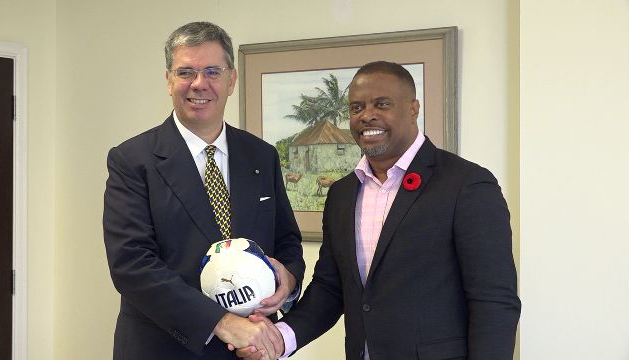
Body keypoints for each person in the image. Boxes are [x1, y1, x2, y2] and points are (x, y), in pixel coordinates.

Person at [238, 61, 521, 359]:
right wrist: (280, 338)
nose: (366, 116)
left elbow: (494, 301)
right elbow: (330, 288)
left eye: (381, 104)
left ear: (413, 108)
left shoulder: (466, 185)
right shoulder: (342, 194)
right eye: (356, 107)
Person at [103, 21, 304, 360]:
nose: (199, 84)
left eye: (212, 71)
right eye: (186, 72)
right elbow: (131, 265)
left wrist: (288, 282)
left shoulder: (261, 155)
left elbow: (286, 241)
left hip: (254, 349)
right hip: (164, 349)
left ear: (231, 80)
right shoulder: (132, 160)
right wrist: (221, 322)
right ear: (168, 80)